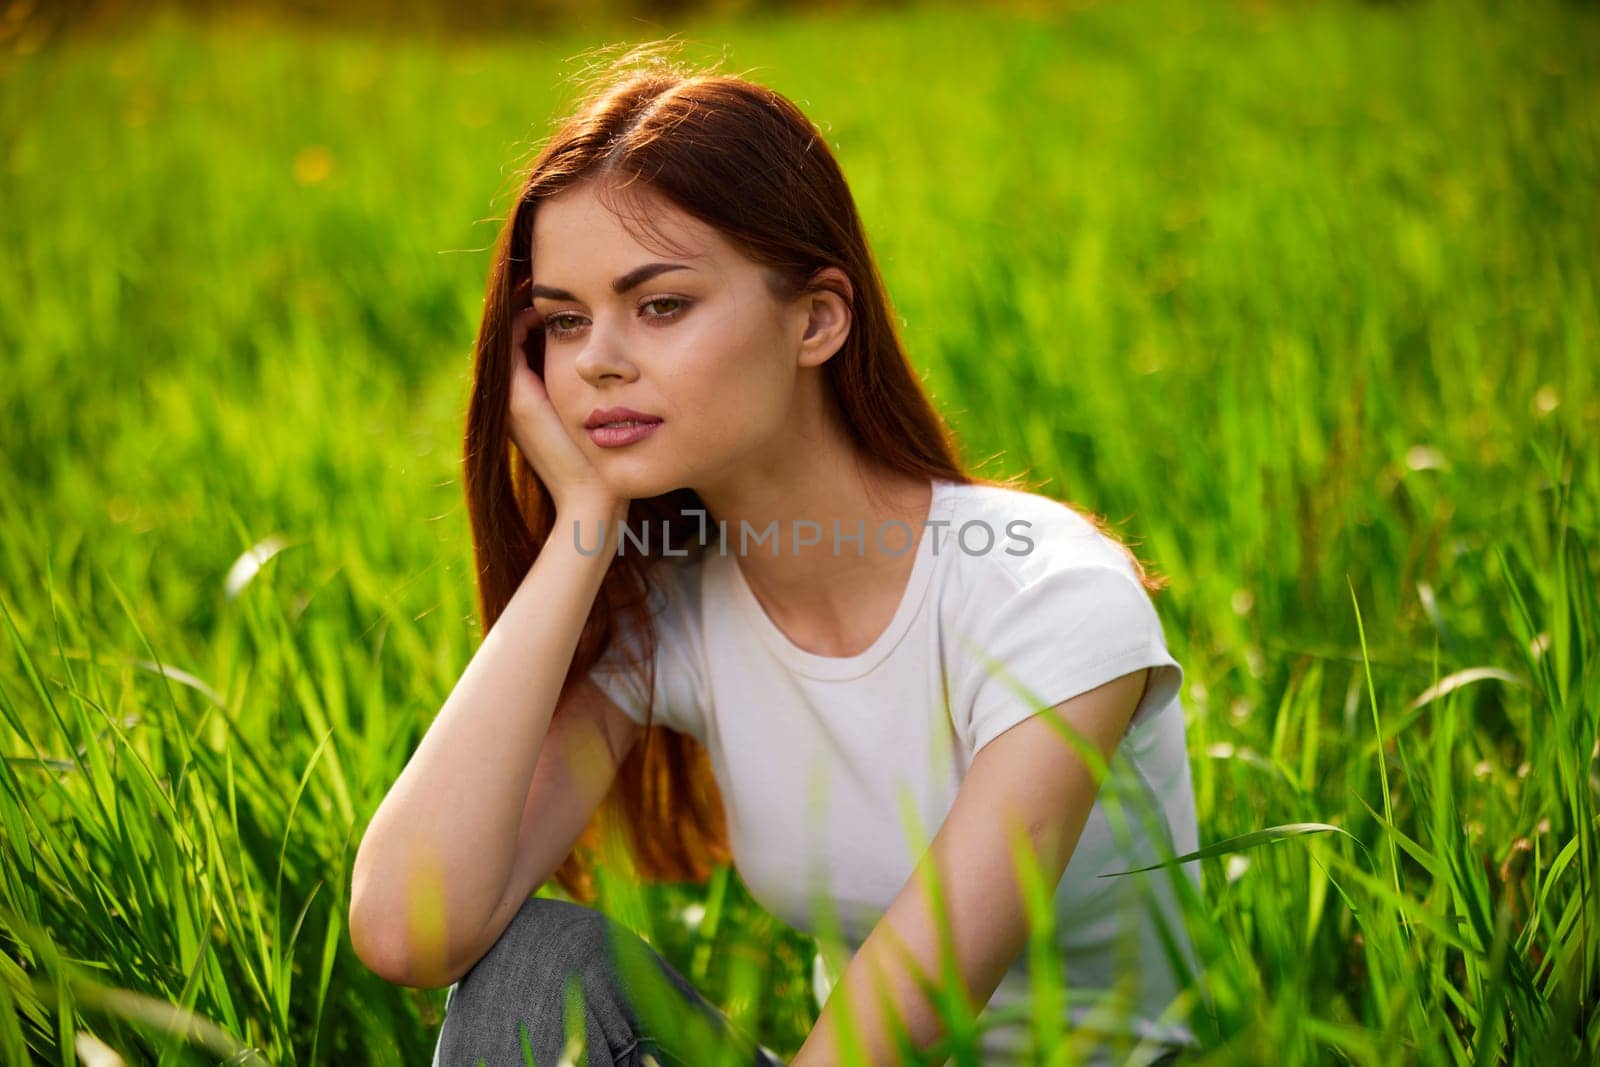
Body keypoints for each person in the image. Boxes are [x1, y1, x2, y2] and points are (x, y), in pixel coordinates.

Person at [349, 40, 1209, 1067]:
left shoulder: (1043, 595)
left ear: (816, 319)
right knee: (539, 961)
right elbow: (412, 927)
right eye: (564, 321)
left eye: (659, 303)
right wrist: (581, 531)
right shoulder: (678, 607)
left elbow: (911, 1005)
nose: (598, 360)